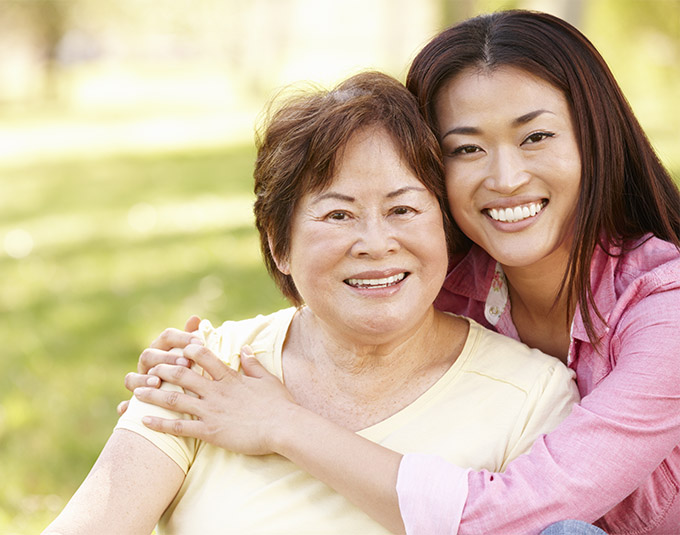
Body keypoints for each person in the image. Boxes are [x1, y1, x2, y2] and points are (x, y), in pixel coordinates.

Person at [121, 9, 680, 535]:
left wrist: (279, 422)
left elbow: (504, 517)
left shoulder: (666, 310)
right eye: (466, 149)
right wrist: (202, 369)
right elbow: (338, 287)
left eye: (536, 136)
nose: (506, 177)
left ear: (595, 138)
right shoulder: (445, 272)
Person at [43, 71, 578, 535]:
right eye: (338, 215)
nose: (374, 242)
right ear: (279, 245)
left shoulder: (531, 397)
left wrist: (283, 425)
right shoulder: (204, 370)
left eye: (403, 210)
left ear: (444, 226)